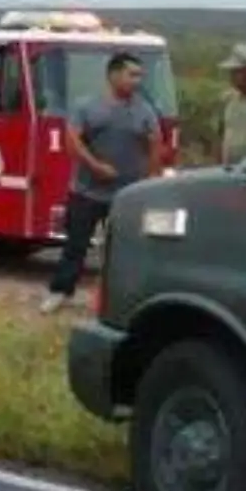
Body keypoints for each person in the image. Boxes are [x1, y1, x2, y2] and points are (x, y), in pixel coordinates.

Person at [40, 52, 165, 313]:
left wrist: (152, 183)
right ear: (113, 75)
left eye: (139, 76)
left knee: (125, 249)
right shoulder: (87, 106)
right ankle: (60, 292)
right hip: (86, 192)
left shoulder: (145, 110)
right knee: (76, 245)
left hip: (127, 195)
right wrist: (95, 166)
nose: (136, 81)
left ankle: (121, 300)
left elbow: (155, 145)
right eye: (132, 74)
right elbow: (71, 141)